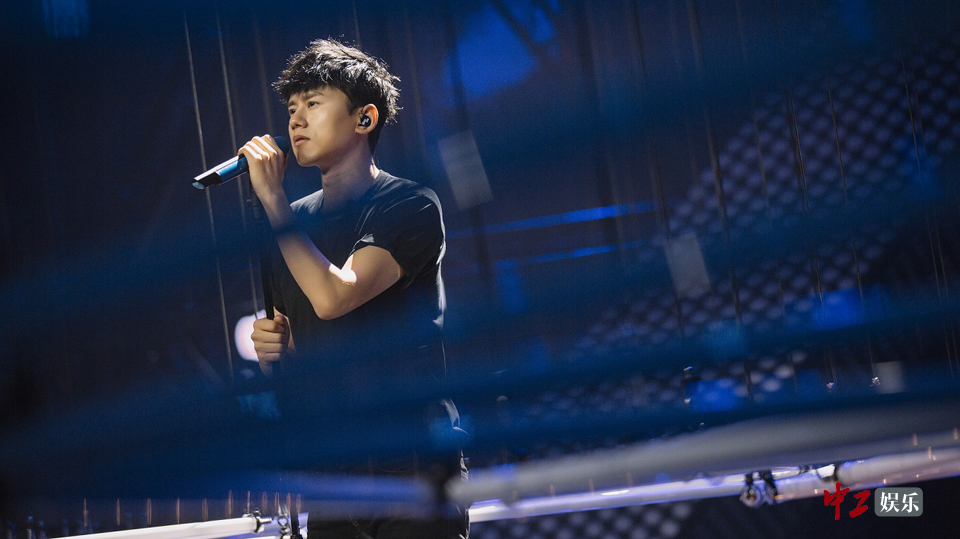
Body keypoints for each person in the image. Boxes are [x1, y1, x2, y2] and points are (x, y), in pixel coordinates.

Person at [243, 39, 468, 539]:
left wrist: (273, 200)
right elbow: (301, 351)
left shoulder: (409, 204)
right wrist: (274, 351)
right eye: (291, 109)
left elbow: (334, 297)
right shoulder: (290, 223)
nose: (296, 120)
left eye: (313, 103)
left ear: (364, 118)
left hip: (410, 466)